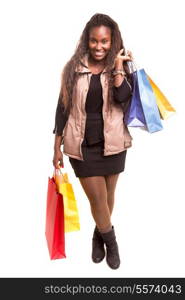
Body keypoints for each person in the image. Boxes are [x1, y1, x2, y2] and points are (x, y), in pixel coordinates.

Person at [52, 13, 133, 270]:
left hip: (114, 143)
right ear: (87, 41)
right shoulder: (73, 69)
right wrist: (57, 145)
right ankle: (111, 241)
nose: (99, 47)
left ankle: (98, 235)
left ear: (113, 41)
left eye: (105, 42)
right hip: (82, 144)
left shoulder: (121, 66)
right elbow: (62, 107)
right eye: (94, 41)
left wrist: (119, 68)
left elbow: (124, 99)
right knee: (97, 200)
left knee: (108, 197)